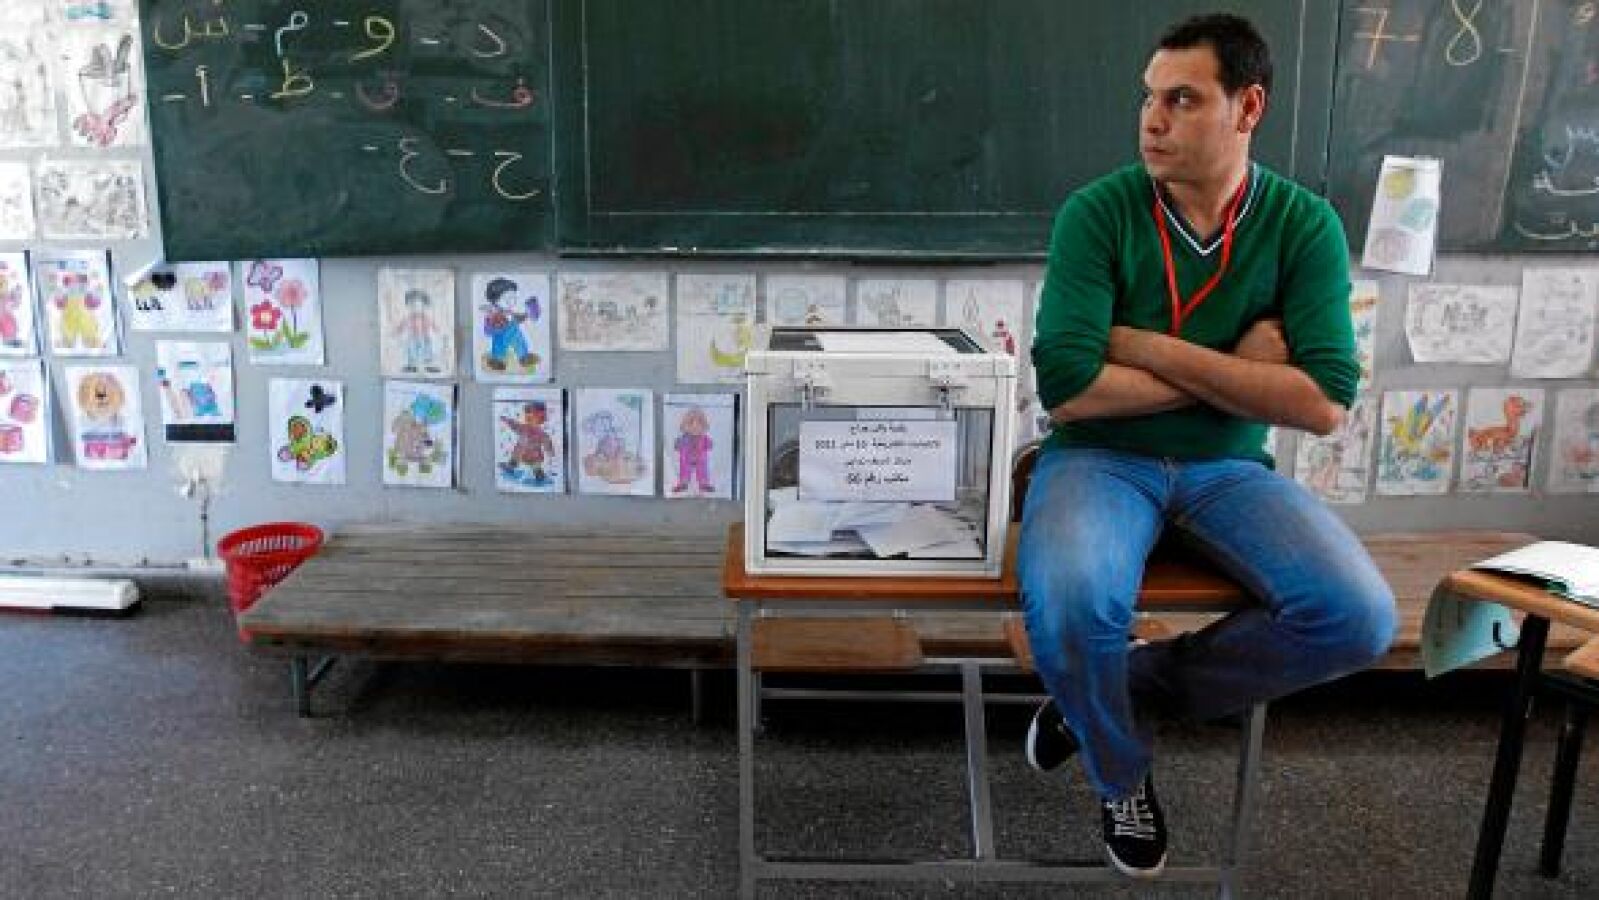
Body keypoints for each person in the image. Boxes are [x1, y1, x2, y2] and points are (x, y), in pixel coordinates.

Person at [1021, 13, 1397, 879]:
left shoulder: (1302, 225)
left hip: (1227, 467)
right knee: (1074, 605)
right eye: (1148, 98)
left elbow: (1322, 402)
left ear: (1247, 107)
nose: (1152, 120)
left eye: (1182, 100)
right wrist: (1241, 367)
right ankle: (1119, 772)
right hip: (1097, 456)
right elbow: (1069, 386)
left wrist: (1142, 346)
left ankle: (1108, 695)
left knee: (1357, 617)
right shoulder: (1097, 212)